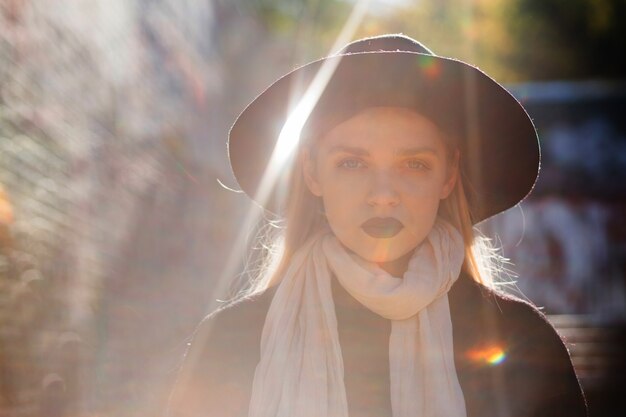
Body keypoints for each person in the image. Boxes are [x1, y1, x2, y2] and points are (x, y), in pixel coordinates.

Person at [168, 34, 587, 417]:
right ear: (313, 174)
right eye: (352, 163)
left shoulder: (521, 343)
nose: (383, 194)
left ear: (448, 176)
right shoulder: (232, 343)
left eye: (414, 164)